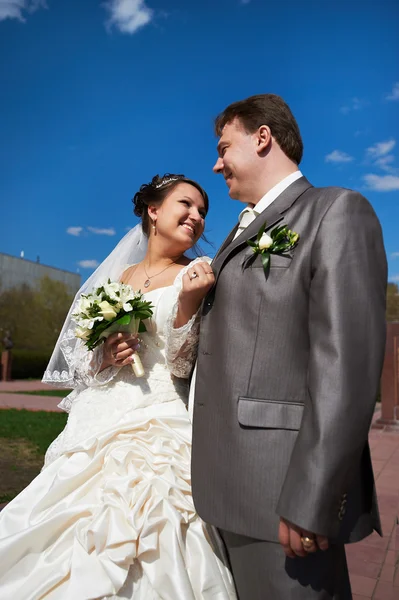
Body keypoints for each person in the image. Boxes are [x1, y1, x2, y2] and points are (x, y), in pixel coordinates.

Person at [0, 174, 236, 600]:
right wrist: (106, 354)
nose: (197, 217)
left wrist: (187, 303)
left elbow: (183, 364)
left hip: (159, 418)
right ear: (153, 211)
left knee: (158, 518)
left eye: (203, 211)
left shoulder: (197, 275)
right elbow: (84, 361)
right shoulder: (117, 275)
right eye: (186, 204)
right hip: (99, 416)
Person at [190, 94, 387, 599]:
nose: (216, 164)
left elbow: (345, 369)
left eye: (223, 147)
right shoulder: (243, 229)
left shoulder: (336, 211)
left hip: (280, 496)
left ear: (262, 138)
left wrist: (312, 499)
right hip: (224, 490)